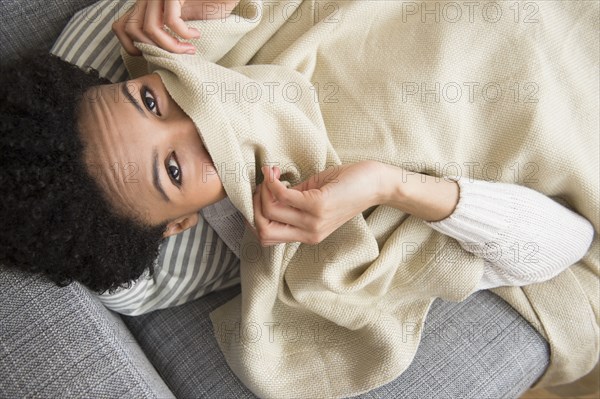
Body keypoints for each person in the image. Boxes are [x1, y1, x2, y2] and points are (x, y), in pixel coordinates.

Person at [0, 0, 594, 296]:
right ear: (180, 224)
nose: (195, 119)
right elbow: (567, 243)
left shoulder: (189, 37)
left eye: (149, 103)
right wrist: (394, 186)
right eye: (176, 168)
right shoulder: (307, 243)